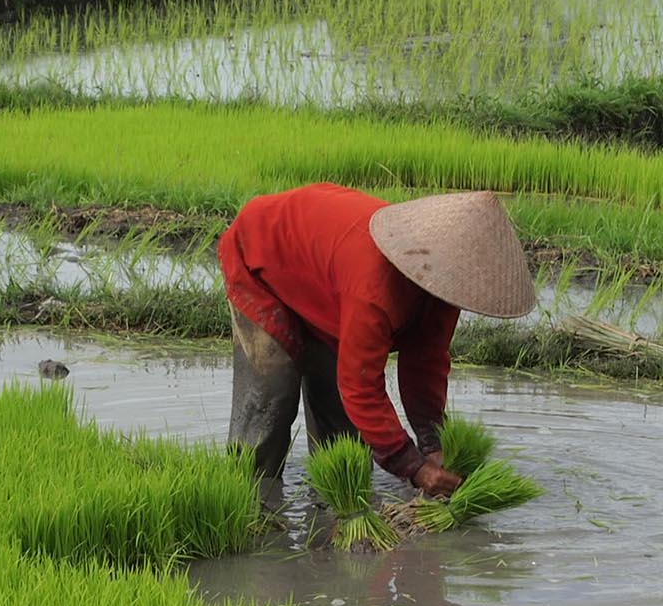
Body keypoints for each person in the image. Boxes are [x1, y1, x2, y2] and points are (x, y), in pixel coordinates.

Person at [219, 183, 536, 497]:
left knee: (342, 435)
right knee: (269, 403)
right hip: (261, 258)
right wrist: (413, 467)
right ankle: (252, 509)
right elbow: (361, 388)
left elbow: (426, 363)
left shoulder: (443, 288)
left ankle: (331, 514)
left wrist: (433, 445)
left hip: (324, 279)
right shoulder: (374, 287)